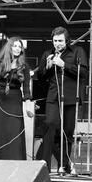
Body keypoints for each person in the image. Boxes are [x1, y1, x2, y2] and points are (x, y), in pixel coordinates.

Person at [36, 26, 88, 173]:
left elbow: (83, 72)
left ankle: (64, 166)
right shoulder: (48, 54)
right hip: (53, 97)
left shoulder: (78, 51)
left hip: (71, 98)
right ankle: (47, 165)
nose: (57, 43)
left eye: (60, 41)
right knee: (50, 126)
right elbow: (40, 77)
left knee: (67, 133)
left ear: (67, 41)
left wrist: (64, 64)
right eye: (55, 41)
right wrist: (46, 67)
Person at [0, 37, 32, 160]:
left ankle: (14, 160)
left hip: (15, 100)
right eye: (14, 46)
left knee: (13, 131)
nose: (17, 48)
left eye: (19, 46)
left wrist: (27, 106)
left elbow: (26, 88)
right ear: (9, 48)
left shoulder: (24, 66)